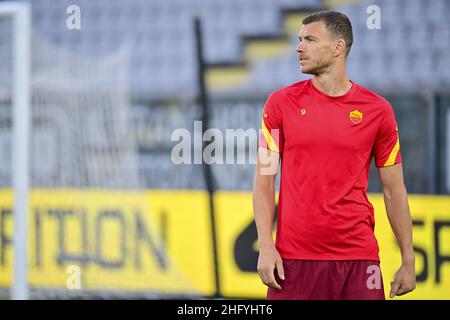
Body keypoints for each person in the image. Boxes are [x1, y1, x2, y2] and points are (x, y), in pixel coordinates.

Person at [252, 10, 416, 300]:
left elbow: (394, 190)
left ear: (338, 47)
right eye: (299, 39)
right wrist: (266, 244)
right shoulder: (279, 104)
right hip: (293, 262)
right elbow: (264, 181)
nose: (299, 47)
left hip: (359, 260)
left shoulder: (379, 111)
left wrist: (408, 258)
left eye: (310, 40)